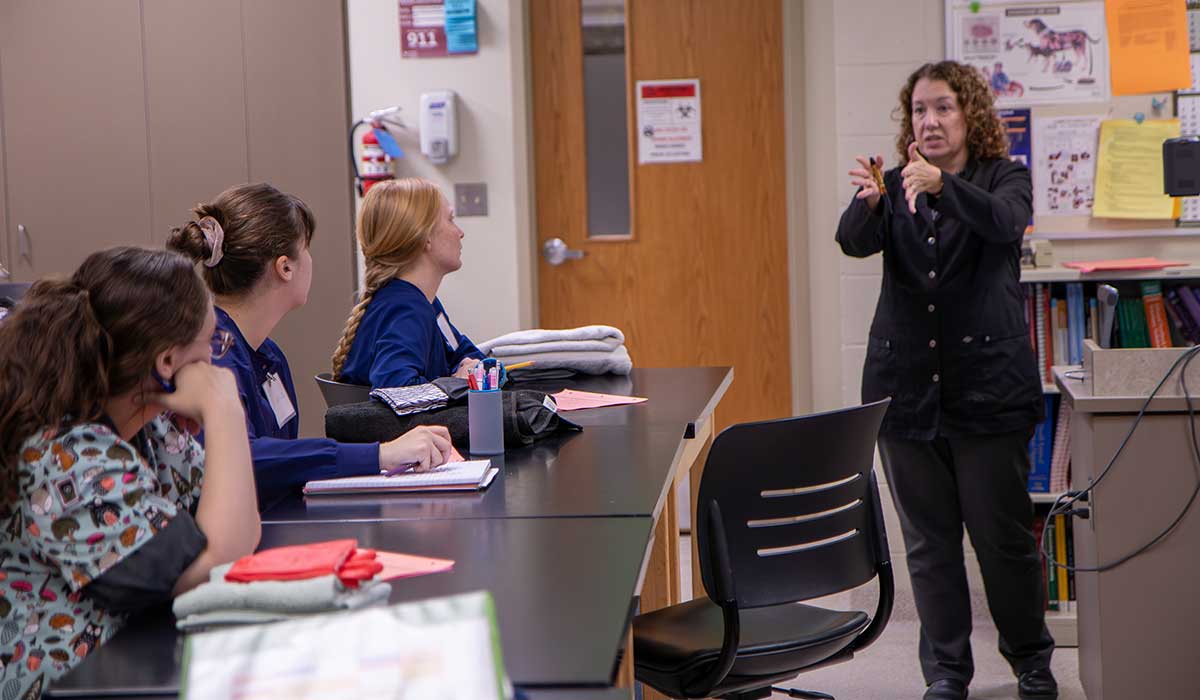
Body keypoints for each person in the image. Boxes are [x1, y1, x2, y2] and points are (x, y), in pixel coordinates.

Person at [836, 61, 1056, 700]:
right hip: (905, 394)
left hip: (988, 394)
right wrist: (870, 202)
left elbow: (1005, 222)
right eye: (919, 111)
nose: (929, 122)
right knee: (929, 547)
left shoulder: (1004, 177)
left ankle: (1033, 663)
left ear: (970, 117)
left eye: (943, 109)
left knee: (1003, 542)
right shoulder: (894, 181)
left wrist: (940, 187)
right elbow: (852, 242)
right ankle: (946, 673)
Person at [0, 247, 260, 698]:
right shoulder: (64, 455)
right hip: (65, 686)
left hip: (133, 666)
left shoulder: (151, 427)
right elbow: (221, 552)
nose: (217, 360)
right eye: (212, 343)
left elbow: (227, 528)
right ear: (166, 362)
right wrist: (223, 408)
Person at [168, 183, 453, 511]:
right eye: (307, 248)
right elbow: (241, 458)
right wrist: (380, 455)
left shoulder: (269, 357)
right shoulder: (213, 356)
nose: (311, 260)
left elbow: (279, 464)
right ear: (285, 267)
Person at [331, 178, 484, 388]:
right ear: (424, 237)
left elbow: (465, 355)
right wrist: (455, 383)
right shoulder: (406, 310)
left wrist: (481, 370)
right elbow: (398, 392)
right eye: (450, 220)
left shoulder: (425, 303)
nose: (460, 232)